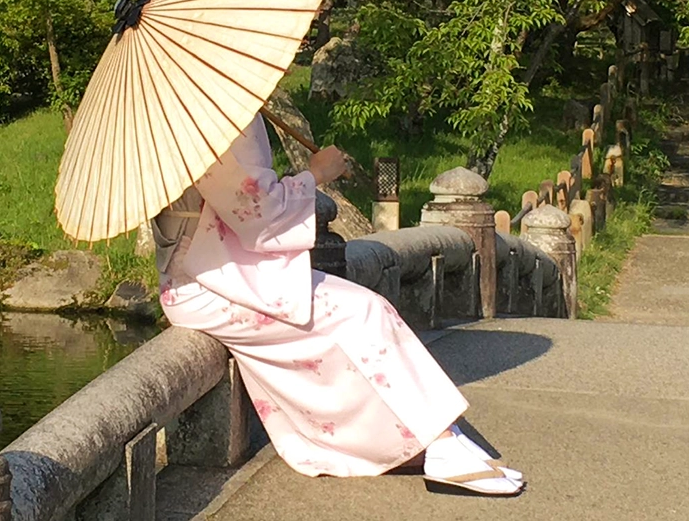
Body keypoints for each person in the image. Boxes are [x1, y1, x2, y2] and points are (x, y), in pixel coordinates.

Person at [151, 115, 524, 495]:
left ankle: (434, 435)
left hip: (228, 270)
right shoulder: (198, 122)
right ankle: (439, 441)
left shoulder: (199, 114)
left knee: (364, 309)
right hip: (210, 282)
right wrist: (314, 174)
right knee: (362, 314)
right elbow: (255, 208)